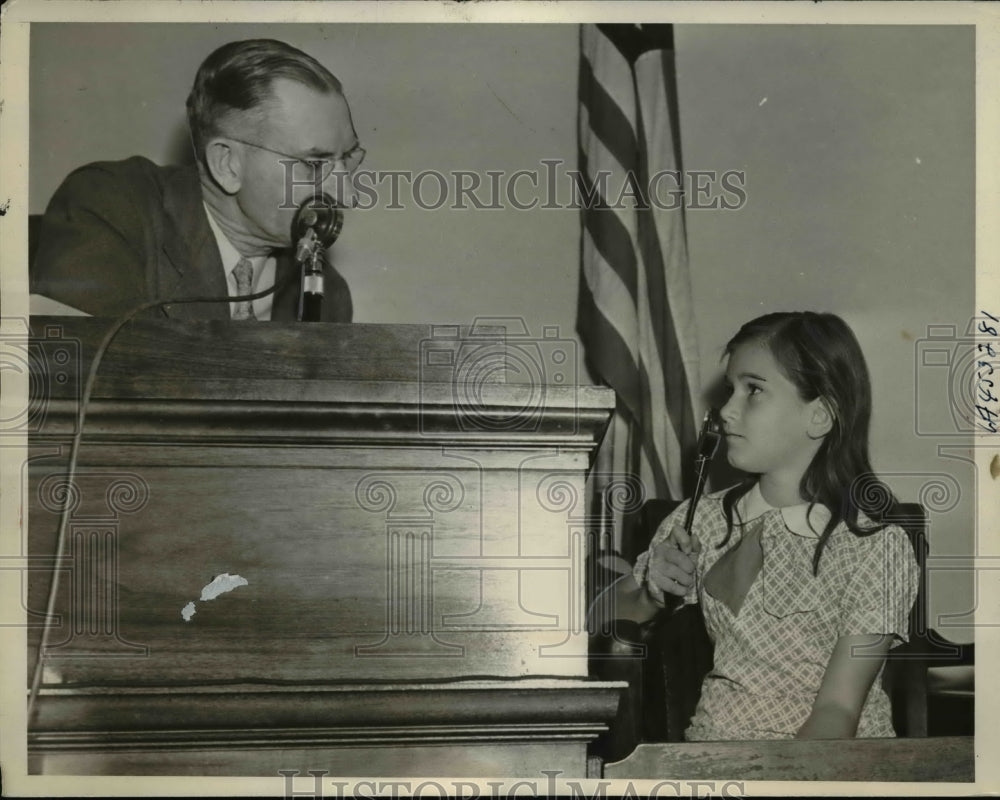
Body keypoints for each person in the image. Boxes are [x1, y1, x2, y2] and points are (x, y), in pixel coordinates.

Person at [623, 311, 920, 741]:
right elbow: (602, 620)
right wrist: (649, 592)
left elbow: (837, 711)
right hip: (713, 751)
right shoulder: (702, 518)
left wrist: (775, 776)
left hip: (826, 759)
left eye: (754, 390)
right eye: (730, 389)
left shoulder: (874, 546)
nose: (726, 411)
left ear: (820, 416)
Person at [30, 38, 361, 321]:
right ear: (227, 164)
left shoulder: (329, 295)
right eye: (315, 164)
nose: (347, 195)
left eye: (348, 159)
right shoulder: (109, 209)